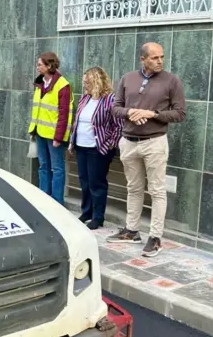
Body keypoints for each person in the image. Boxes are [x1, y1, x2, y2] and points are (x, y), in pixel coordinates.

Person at [108, 42, 186, 257]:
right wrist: (131, 112)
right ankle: (131, 231)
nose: (160, 61)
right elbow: (115, 108)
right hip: (128, 141)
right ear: (143, 59)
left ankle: (155, 237)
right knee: (133, 188)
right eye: (154, 58)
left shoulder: (172, 81)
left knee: (157, 191)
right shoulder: (128, 78)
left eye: (162, 56)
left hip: (155, 142)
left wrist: (152, 114)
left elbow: (180, 113)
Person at [69, 67, 123, 230]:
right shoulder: (85, 98)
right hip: (81, 146)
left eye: (87, 81)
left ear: (96, 81)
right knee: (84, 181)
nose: (84, 84)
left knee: (96, 183)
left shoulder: (110, 99)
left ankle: (98, 217)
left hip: (98, 148)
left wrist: (111, 143)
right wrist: (73, 141)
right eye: (84, 81)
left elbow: (118, 125)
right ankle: (86, 212)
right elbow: (77, 121)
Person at [28, 52, 71, 205]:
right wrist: (34, 131)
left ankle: (57, 202)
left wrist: (58, 137)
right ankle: (43, 199)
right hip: (40, 132)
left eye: (40, 64)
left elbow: (64, 113)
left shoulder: (62, 85)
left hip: (54, 136)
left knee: (57, 169)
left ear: (49, 65)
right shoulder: (40, 84)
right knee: (43, 166)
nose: (37, 67)